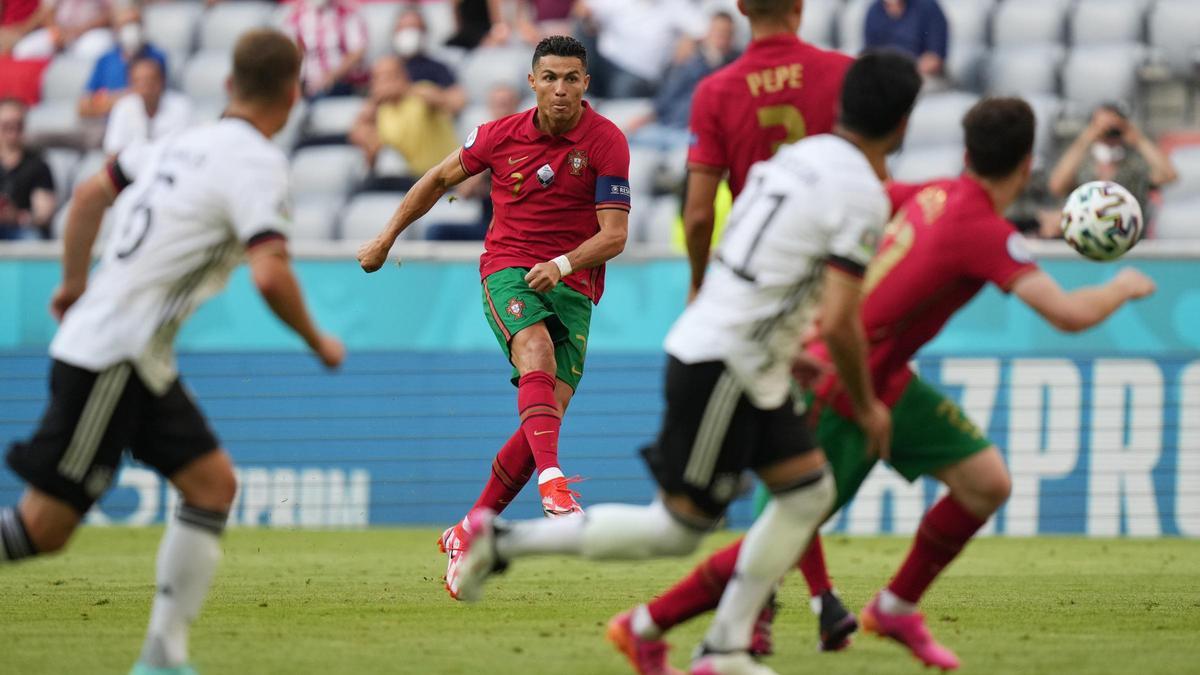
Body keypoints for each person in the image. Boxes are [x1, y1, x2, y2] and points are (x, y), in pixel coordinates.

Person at [609, 97, 1158, 674]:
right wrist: (1123, 286)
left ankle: (895, 608)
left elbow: (870, 209)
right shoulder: (979, 229)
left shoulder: (932, 193)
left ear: (967, 153)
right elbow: (1068, 314)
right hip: (845, 383)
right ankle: (646, 624)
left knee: (984, 482)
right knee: (781, 537)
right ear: (1026, 166)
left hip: (889, 378)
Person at [447, 52, 922, 675]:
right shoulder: (861, 192)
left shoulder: (799, 159)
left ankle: (722, 646)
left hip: (736, 349)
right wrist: (865, 404)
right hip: (730, 360)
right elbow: (837, 321)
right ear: (904, 123)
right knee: (678, 528)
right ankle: (504, 539)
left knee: (807, 494)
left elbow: (723, 233)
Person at [0, 29, 345, 675]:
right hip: (114, 356)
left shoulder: (178, 142)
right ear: (294, 92)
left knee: (212, 484)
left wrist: (74, 283)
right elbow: (270, 273)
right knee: (41, 530)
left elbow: (87, 196)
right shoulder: (257, 162)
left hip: (135, 356)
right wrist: (317, 340)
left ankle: (162, 656)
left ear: (228, 85)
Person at [355, 34, 630, 589]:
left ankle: (470, 528)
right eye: (549, 77)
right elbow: (437, 180)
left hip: (573, 284)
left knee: (541, 418)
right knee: (537, 353)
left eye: (570, 78)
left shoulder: (606, 142)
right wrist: (385, 239)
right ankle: (554, 483)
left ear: (585, 84)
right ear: (532, 82)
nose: (559, 88)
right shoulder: (499, 136)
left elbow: (615, 236)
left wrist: (564, 262)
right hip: (507, 269)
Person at [683, 0, 854, 301]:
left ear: (741, 8)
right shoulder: (845, 72)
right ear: (799, 6)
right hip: (833, 262)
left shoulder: (714, 92)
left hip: (760, 266)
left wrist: (698, 281)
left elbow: (698, 214)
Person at [626, 11, 739, 150]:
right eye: (717, 31)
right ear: (708, 33)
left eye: (726, 33)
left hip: (694, 135)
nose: (721, 37)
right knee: (624, 135)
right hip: (666, 127)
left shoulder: (736, 66)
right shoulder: (690, 61)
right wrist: (644, 119)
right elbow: (666, 96)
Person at [1048, 102, 1178, 221]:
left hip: (1128, 236)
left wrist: (1139, 140)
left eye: (1115, 130)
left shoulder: (1134, 165)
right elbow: (1057, 186)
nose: (1109, 134)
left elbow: (1168, 175)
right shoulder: (1082, 164)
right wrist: (1086, 139)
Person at [349, 54, 459, 179]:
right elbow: (357, 133)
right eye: (378, 78)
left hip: (445, 175)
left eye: (390, 76)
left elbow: (449, 103)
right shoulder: (381, 110)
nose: (384, 83)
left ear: (403, 76)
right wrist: (373, 102)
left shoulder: (421, 93)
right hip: (411, 180)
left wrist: (405, 89)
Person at [575, 0, 707, 98]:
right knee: (579, 32)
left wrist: (688, 40)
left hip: (638, 74)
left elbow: (703, 31)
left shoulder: (675, 4)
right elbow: (583, 9)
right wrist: (587, 18)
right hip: (606, 62)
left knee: (623, 89)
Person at [79, 4, 167, 124]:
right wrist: (124, 97)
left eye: (135, 23)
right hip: (107, 124)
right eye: (125, 25)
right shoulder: (105, 60)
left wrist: (109, 100)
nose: (131, 29)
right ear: (115, 29)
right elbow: (84, 107)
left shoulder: (156, 56)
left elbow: (153, 98)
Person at [102, 55, 191, 156]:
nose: (146, 88)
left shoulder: (180, 106)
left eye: (150, 81)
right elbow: (113, 151)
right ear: (131, 84)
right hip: (131, 169)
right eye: (139, 82)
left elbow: (187, 148)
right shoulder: (123, 107)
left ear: (162, 81)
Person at [283, 0, 368, 98]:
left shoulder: (349, 13)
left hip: (341, 82)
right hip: (306, 84)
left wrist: (331, 76)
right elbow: (290, 51)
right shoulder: (295, 16)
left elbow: (357, 51)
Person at [0, 97, 55, 240]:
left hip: (21, 230)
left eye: (18, 126)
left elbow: (43, 214)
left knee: (32, 238)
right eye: (6, 126)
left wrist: (17, 217)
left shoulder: (37, 166)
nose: (13, 133)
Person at [864, 0, 948, 79]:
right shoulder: (874, 11)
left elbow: (934, 59)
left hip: (924, 77)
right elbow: (869, 55)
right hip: (887, 78)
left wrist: (902, 75)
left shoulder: (927, 6)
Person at [10, 0, 114, 60]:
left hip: (91, 31)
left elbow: (111, 14)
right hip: (60, 30)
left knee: (88, 52)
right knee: (23, 51)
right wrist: (56, 31)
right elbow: (47, 10)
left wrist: (79, 31)